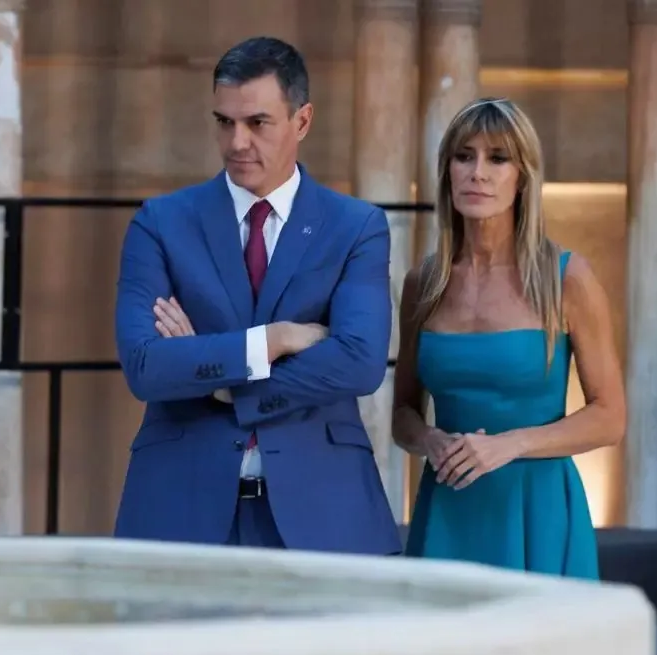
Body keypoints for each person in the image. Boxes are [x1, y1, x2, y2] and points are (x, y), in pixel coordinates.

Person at [112, 36, 400, 555]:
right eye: (224, 122)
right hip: (179, 509)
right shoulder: (160, 223)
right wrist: (273, 341)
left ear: (302, 121)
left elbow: (359, 362)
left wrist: (222, 383)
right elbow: (146, 366)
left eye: (257, 123)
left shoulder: (356, 227)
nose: (237, 142)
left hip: (324, 516)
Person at [392, 97, 626, 579]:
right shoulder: (425, 282)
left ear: (522, 178)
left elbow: (610, 418)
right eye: (464, 156)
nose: (477, 172)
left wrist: (510, 444)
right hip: (448, 509)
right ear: (447, 172)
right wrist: (430, 440)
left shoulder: (566, 278)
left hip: (537, 512)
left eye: (497, 158)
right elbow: (403, 414)